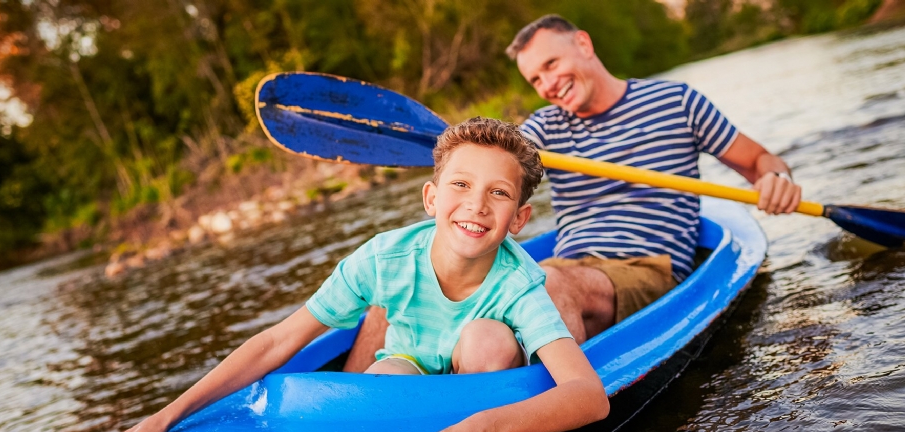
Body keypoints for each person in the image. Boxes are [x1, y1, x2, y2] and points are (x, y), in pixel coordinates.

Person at [107, 117, 610, 432]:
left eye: (498, 193)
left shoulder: (520, 284)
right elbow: (279, 342)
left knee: (486, 339)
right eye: (460, 185)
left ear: (520, 219)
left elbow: (588, 397)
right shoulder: (382, 259)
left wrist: (484, 427)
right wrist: (168, 415)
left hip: (483, 380)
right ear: (431, 198)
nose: (476, 205)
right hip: (412, 365)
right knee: (382, 378)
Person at [342, 14, 803, 372]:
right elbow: (488, 161)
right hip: (565, 263)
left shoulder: (676, 102)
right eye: (535, 80)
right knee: (406, 273)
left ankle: (527, 410)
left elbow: (761, 161)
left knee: (552, 285)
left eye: (551, 64)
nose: (547, 84)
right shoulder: (542, 128)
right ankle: (352, 405)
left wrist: (774, 179)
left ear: (583, 44)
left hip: (646, 268)